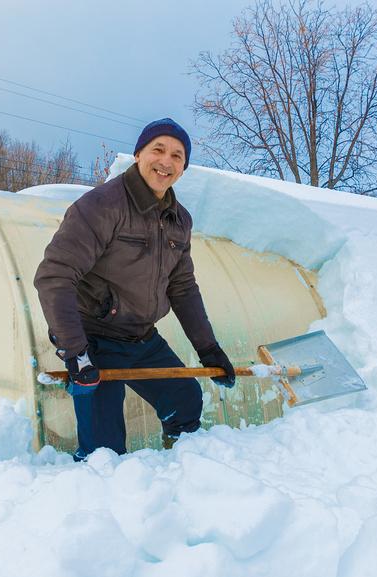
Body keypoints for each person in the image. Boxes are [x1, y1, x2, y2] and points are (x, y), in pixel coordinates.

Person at [34, 118, 236, 460]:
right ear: (139, 154)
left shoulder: (179, 220)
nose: (166, 162)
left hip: (142, 339)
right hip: (94, 338)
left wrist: (209, 349)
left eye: (177, 155)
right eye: (158, 150)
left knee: (185, 402)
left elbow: (183, 287)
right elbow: (55, 275)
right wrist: (75, 352)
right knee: (104, 449)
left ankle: (178, 469)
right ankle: (96, 492)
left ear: (183, 168)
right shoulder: (102, 205)